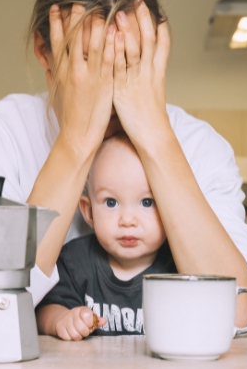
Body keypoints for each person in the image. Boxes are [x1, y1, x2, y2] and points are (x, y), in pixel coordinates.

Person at [0, 0, 247, 328]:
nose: (110, 84)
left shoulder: (198, 145)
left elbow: (237, 312)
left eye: (129, 59)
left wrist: (155, 139)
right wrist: (76, 142)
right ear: (43, 51)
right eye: (88, 61)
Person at [36, 132, 175, 340]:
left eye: (147, 202)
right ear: (88, 211)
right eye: (111, 202)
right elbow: (42, 310)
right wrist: (61, 319)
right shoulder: (75, 261)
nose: (127, 220)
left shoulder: (178, 266)